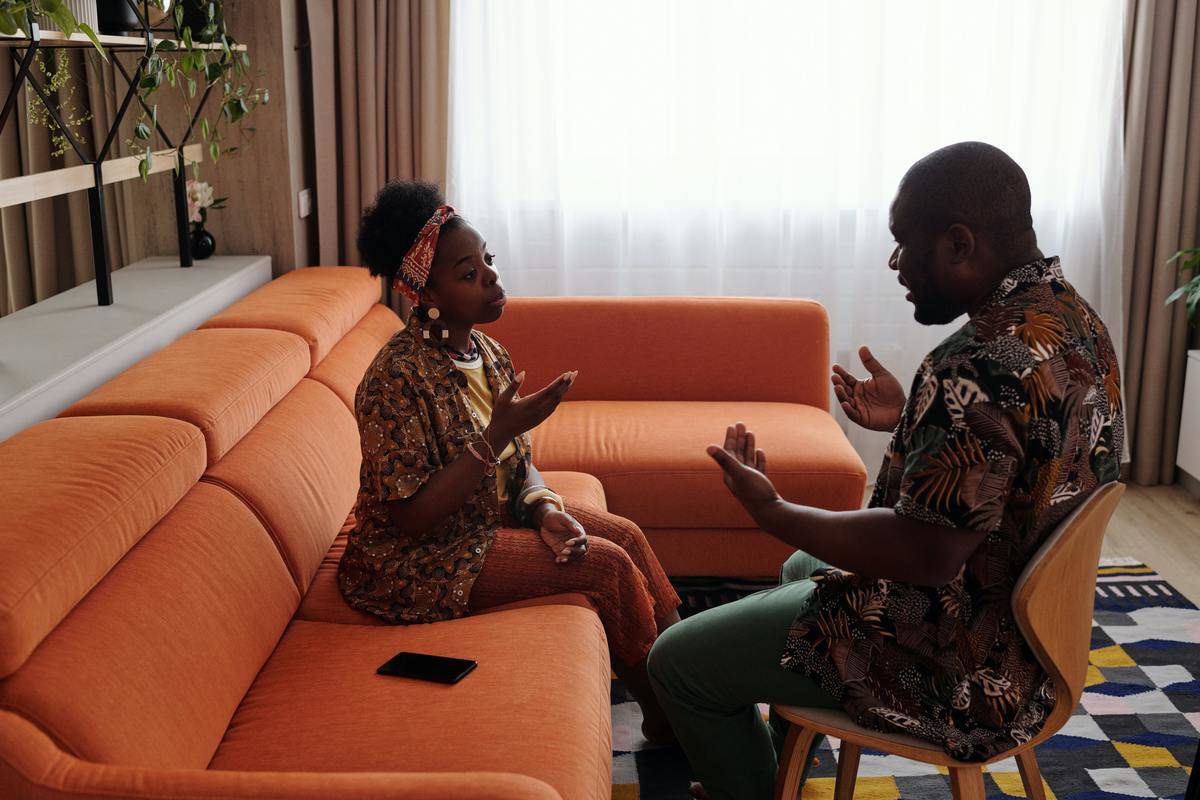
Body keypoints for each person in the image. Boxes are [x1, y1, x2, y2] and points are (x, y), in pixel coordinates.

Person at [647, 142, 1125, 800]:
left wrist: (774, 511)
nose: (896, 264)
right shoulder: (1072, 320)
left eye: (906, 245)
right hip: (1036, 641)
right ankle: (777, 774)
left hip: (960, 668)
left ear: (960, 243)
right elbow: (1017, 454)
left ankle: (750, 791)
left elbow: (925, 553)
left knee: (677, 661)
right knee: (797, 569)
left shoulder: (973, 364)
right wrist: (916, 421)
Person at [339, 180, 682, 741]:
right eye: (468, 274)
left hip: (483, 521)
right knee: (607, 567)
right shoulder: (392, 380)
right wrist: (494, 434)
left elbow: (519, 467)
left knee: (628, 538)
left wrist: (545, 509)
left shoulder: (487, 351)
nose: (493, 277)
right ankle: (674, 719)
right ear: (426, 296)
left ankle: (697, 683)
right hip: (417, 559)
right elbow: (410, 519)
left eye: (488, 261)